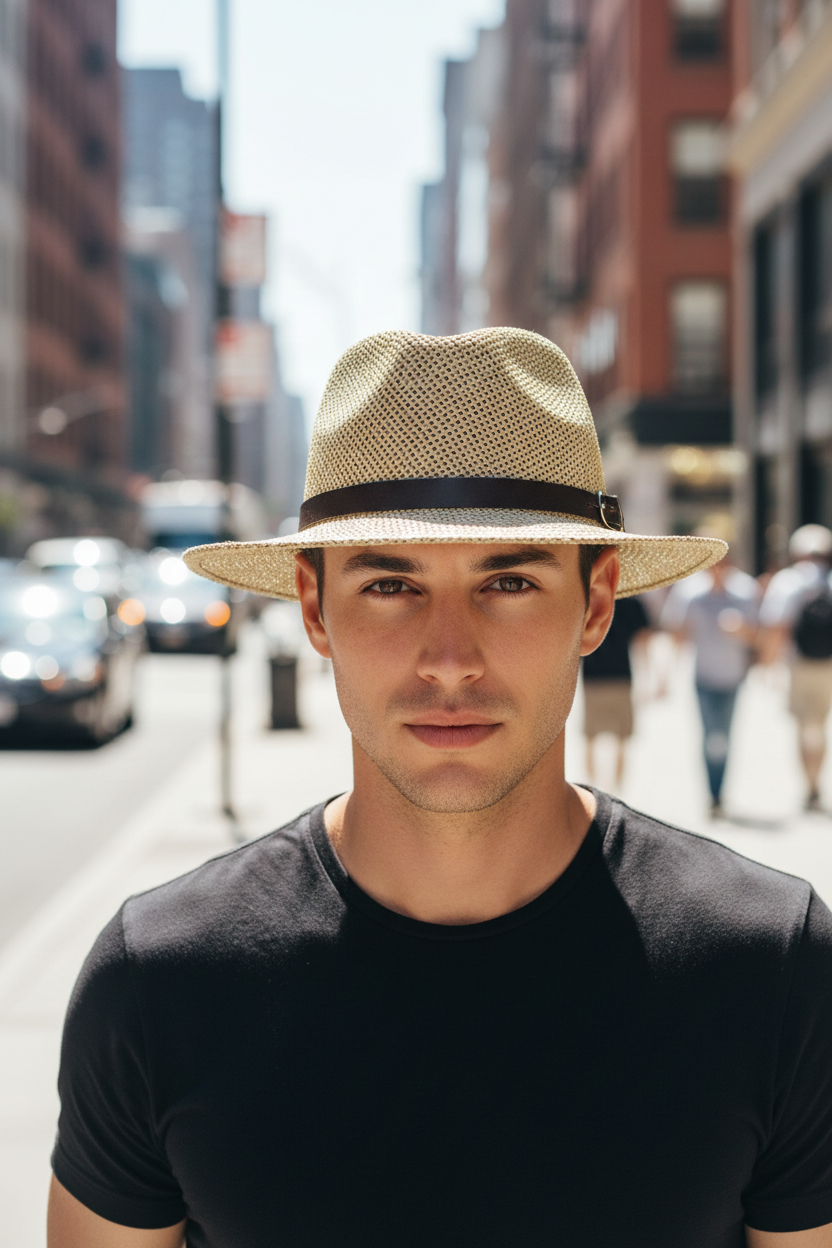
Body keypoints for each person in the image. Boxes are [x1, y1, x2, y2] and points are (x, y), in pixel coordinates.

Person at [49, 329, 832, 1248]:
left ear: (595, 602)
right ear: (313, 607)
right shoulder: (160, 979)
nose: (449, 660)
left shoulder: (771, 965)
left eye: (507, 580)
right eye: (390, 585)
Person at [661, 549, 759, 818]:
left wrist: (742, 631)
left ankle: (719, 793)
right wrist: (665, 675)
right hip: (703, 677)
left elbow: (759, 637)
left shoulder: (745, 591)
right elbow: (676, 636)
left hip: (733, 678)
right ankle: (712, 795)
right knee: (709, 738)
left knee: (724, 738)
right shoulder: (690, 593)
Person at [760, 524, 832, 811]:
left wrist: (768, 665)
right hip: (827, 664)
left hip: (799, 663)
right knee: (820, 724)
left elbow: (777, 627)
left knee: (805, 725)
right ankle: (816, 783)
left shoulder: (789, 581)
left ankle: (809, 785)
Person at [581, 593, 650, 789]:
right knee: (620, 739)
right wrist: (647, 675)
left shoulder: (588, 600)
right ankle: (615, 792)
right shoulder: (633, 602)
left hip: (594, 679)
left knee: (591, 738)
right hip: (620, 678)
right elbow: (643, 639)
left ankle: (595, 788)